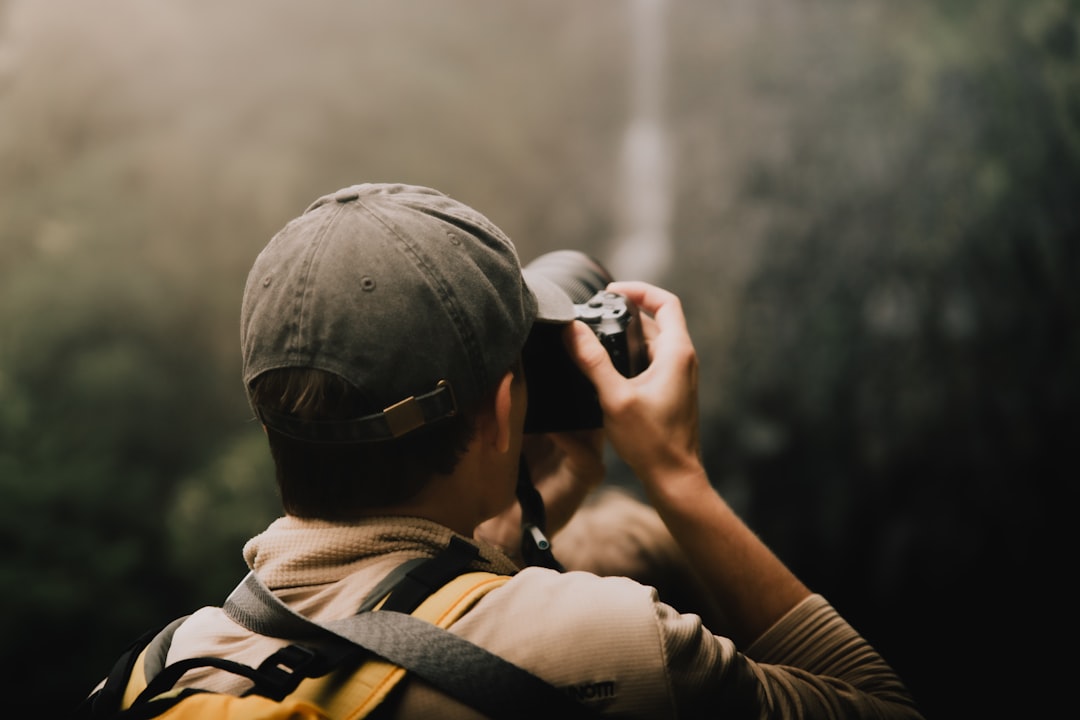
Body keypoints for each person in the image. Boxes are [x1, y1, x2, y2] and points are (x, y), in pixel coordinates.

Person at [102, 183, 924, 718]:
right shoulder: (611, 646)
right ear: (503, 407)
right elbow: (881, 705)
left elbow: (408, 602)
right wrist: (676, 474)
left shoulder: (154, 674)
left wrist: (531, 513)